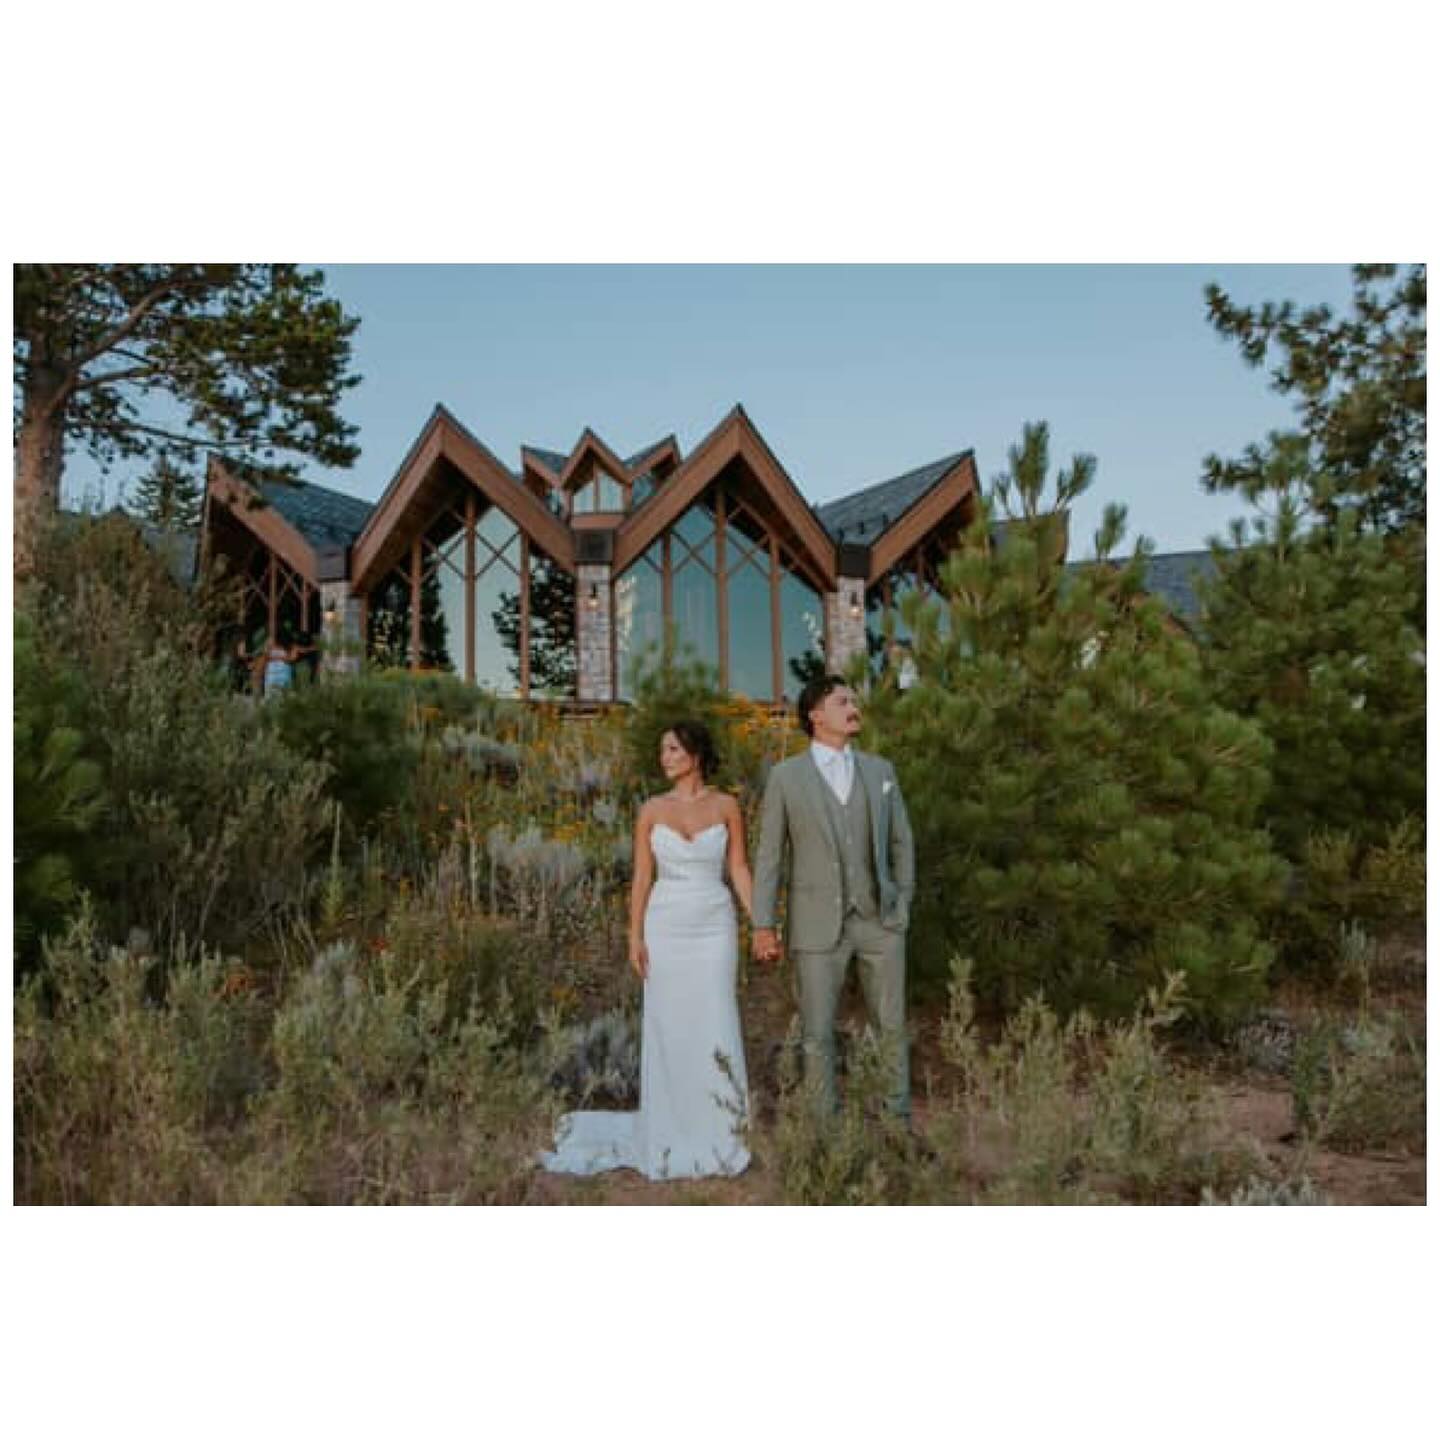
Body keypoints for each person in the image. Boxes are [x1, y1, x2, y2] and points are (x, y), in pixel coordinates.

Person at [541, 720, 753, 1180]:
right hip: (666, 925)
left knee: (716, 1016)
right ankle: (671, 1125)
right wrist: (634, 935)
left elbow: (738, 868)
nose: (665, 758)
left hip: (714, 924)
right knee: (668, 1023)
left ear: (695, 754)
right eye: (662, 750)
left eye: (673, 749)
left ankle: (723, 1127)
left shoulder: (726, 806)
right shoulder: (651, 810)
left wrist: (763, 924)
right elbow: (641, 877)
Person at [751, 674, 915, 1120]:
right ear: (816, 715)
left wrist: (901, 902)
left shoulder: (880, 771)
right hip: (815, 923)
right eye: (843, 701)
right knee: (817, 1034)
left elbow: (901, 842)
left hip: (880, 921)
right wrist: (763, 924)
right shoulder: (786, 777)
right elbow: (769, 856)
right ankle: (824, 1131)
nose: (853, 708)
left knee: (891, 1027)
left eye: (854, 701)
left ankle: (897, 1126)